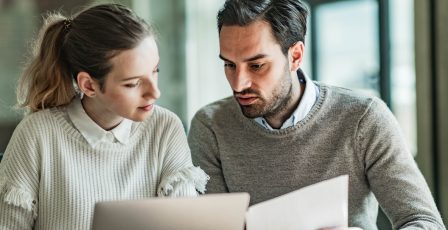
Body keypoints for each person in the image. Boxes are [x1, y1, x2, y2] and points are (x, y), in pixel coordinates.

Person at [188, 0, 445, 229]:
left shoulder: (363, 118)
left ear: (295, 56)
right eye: (229, 65)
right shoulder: (211, 126)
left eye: (256, 66)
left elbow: (423, 221)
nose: (238, 83)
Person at [0, 4, 208, 229]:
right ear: (89, 85)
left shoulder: (165, 128)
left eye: (155, 71)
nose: (155, 92)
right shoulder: (36, 135)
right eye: (133, 83)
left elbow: (185, 223)